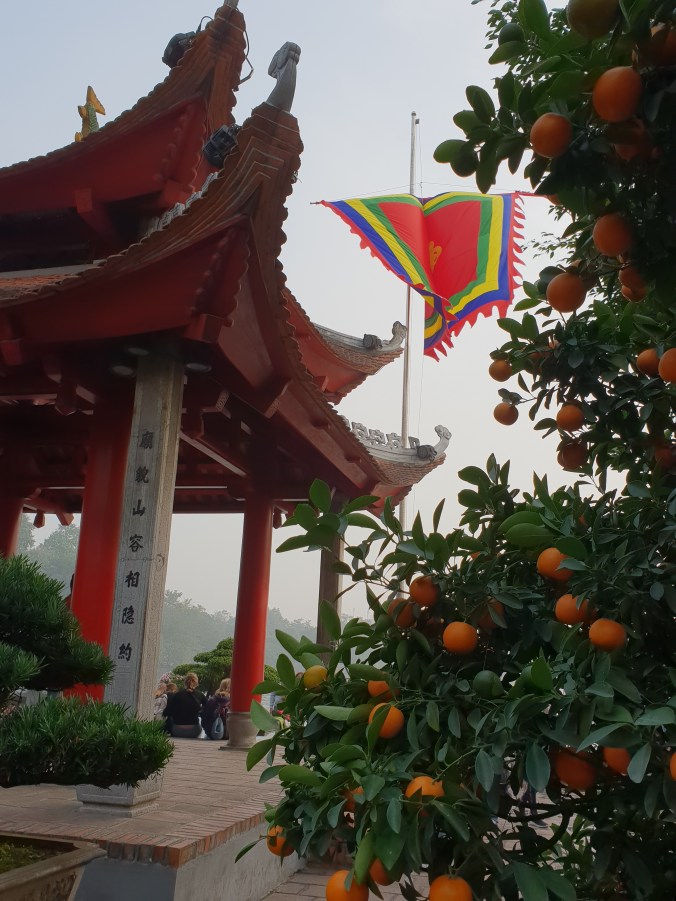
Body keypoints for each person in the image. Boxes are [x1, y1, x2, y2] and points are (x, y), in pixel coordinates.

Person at [163, 673, 204, 738]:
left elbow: (166, 712)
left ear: (185, 682)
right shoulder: (200, 695)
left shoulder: (177, 695)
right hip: (194, 731)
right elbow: (208, 710)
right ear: (196, 683)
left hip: (177, 730)